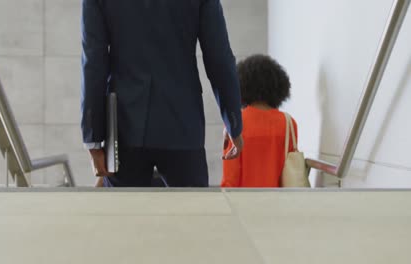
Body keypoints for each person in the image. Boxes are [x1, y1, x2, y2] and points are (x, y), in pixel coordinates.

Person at [81, 0, 243, 187]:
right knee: (193, 213)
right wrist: (233, 123)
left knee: (124, 214)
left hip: (124, 126)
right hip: (183, 125)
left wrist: (92, 138)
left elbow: (93, 63)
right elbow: (219, 57)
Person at [222, 54, 297, 188]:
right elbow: (292, 169)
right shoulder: (288, 122)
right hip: (279, 203)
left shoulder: (236, 123)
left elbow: (230, 178)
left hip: (244, 204)